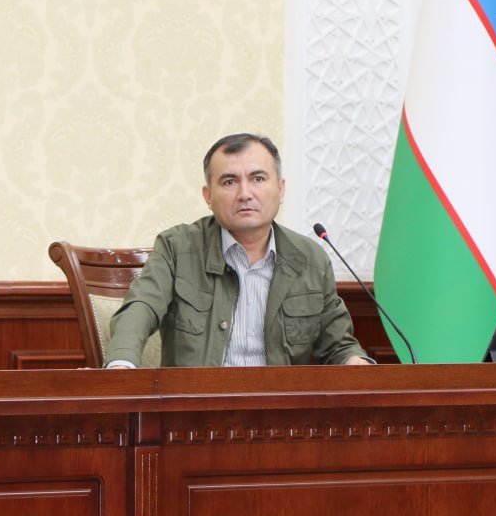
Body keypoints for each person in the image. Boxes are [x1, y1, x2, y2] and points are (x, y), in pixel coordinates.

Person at [105, 133, 373, 368]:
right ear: (208, 196)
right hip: (197, 406)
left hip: (280, 408)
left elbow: (338, 344)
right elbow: (142, 307)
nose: (245, 193)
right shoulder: (176, 247)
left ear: (280, 190)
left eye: (258, 178)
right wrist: (121, 365)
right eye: (229, 182)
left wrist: (354, 362)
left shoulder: (310, 259)